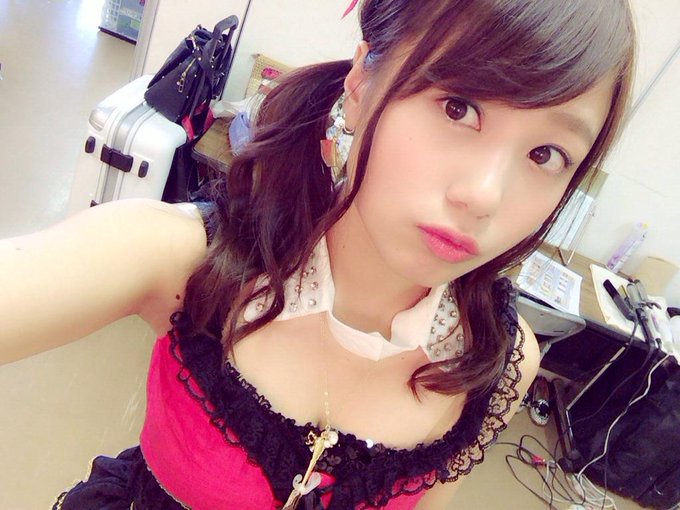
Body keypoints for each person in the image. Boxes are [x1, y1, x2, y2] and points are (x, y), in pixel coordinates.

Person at [0, 0, 636, 508]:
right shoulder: (182, 258)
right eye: (458, 107)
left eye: (546, 154)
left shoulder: (498, 361)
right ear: (361, 83)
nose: (484, 196)